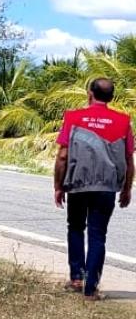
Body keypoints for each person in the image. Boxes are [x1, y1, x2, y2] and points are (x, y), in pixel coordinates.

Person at [54, 77, 134, 300]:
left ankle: (77, 278)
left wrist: (58, 186)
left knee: (76, 228)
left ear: (90, 94)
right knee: (98, 235)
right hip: (107, 188)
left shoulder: (74, 117)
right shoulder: (123, 121)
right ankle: (90, 289)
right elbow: (129, 160)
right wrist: (127, 189)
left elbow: (62, 156)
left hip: (78, 185)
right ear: (111, 97)